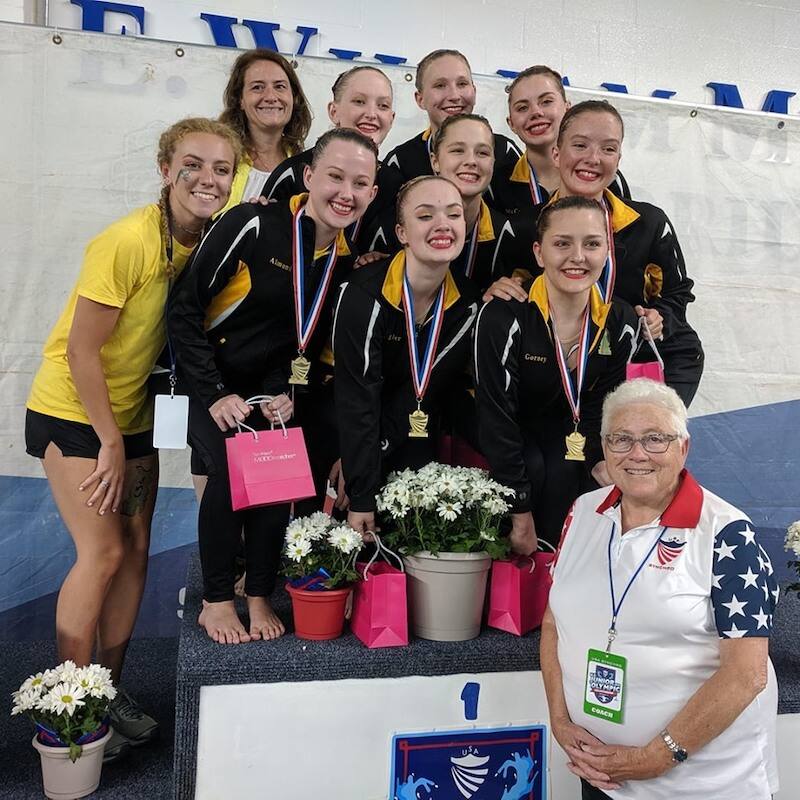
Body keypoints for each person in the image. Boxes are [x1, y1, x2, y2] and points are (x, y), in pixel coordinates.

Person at [25, 117, 241, 760]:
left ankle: (108, 688)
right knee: (104, 552)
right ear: (165, 169)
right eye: (193, 164)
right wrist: (110, 443)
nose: (207, 178)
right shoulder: (126, 241)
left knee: (137, 551)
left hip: (136, 415)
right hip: (76, 414)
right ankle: (71, 704)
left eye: (222, 169)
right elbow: (82, 352)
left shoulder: (208, 243)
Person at [168, 128, 378, 644]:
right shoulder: (254, 222)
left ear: (373, 193)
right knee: (230, 471)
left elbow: (297, 343)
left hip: (265, 390)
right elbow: (184, 309)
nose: (345, 193)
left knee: (274, 478)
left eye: (359, 183)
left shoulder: (345, 261)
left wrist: (282, 389)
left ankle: (259, 593)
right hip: (203, 380)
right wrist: (215, 392)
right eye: (334, 177)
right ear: (308, 176)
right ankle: (217, 600)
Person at [541, 379, 778, 799]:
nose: (637, 454)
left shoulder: (727, 532)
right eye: (621, 439)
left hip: (701, 786)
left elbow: (746, 675)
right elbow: (553, 623)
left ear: (683, 447)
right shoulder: (582, 512)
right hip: (601, 774)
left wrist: (655, 757)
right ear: (604, 447)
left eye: (655, 439)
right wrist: (560, 720)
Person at [491, 100, 704, 407]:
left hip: (638, 362)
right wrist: (496, 289)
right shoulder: (523, 227)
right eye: (580, 145)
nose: (593, 159)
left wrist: (662, 318)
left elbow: (678, 292)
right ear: (556, 153)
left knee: (646, 434)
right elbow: (499, 288)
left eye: (608, 148)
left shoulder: (649, 223)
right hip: (558, 370)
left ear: (618, 158)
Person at [474, 197, 637, 551]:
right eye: (562, 244)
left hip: (566, 431)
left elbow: (604, 408)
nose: (578, 257)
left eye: (592, 244)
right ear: (539, 253)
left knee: (576, 469)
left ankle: (561, 572)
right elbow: (496, 416)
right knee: (533, 466)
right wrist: (520, 509)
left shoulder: (620, 321)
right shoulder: (505, 315)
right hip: (506, 430)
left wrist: (600, 458)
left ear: (607, 251)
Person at [333, 175, 480, 537]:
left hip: (408, 422)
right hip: (343, 420)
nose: (443, 224)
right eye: (425, 216)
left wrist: (374, 454)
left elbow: (428, 389)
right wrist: (360, 482)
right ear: (401, 232)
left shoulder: (468, 304)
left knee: (416, 506)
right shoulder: (363, 295)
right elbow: (357, 398)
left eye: (454, 214)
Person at [365, 114, 534, 295]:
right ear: (435, 161)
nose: (471, 161)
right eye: (457, 151)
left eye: (483, 153)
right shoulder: (389, 230)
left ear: (493, 162)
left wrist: (500, 299)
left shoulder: (511, 238)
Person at [491, 66, 630, 217]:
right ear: (511, 123)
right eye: (523, 108)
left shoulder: (606, 177)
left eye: (546, 101)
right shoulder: (498, 181)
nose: (536, 112)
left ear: (567, 108)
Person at [380, 50, 521, 195]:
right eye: (440, 85)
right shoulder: (400, 161)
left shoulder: (504, 151)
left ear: (474, 91)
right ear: (420, 99)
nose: (454, 96)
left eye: (462, 84)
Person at [217, 48, 312, 212]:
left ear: (294, 97)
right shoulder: (218, 159)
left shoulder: (308, 168)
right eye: (257, 87)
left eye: (280, 86)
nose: (270, 97)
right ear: (240, 99)